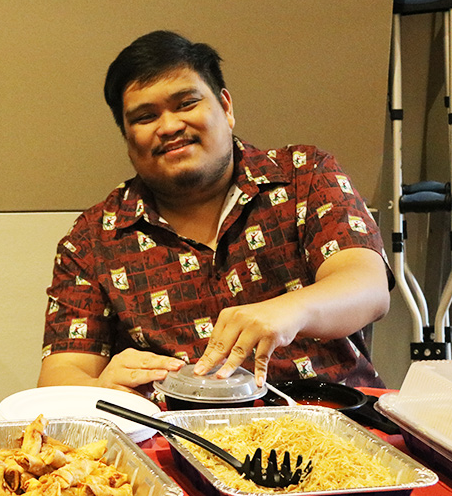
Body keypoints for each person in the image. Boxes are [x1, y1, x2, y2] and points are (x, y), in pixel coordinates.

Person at [38, 30, 391, 397]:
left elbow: (367, 286)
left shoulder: (305, 176)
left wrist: (290, 311)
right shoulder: (93, 239)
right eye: (145, 117)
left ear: (226, 107)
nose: (170, 126)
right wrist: (100, 389)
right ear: (127, 139)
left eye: (186, 103)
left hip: (330, 420)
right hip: (176, 438)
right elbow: (59, 377)